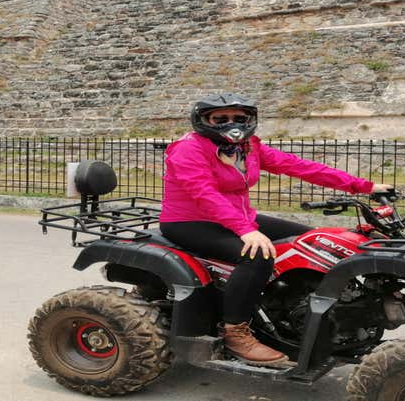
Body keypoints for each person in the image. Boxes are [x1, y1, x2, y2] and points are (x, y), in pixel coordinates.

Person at [158, 92, 392, 367]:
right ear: (204, 121)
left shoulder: (248, 147)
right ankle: (235, 332)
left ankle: (287, 309)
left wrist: (364, 186)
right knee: (257, 256)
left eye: (238, 118)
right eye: (221, 118)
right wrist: (245, 230)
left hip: (239, 218)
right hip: (191, 222)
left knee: (309, 241)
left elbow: (299, 166)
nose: (231, 123)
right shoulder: (188, 148)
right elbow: (203, 193)